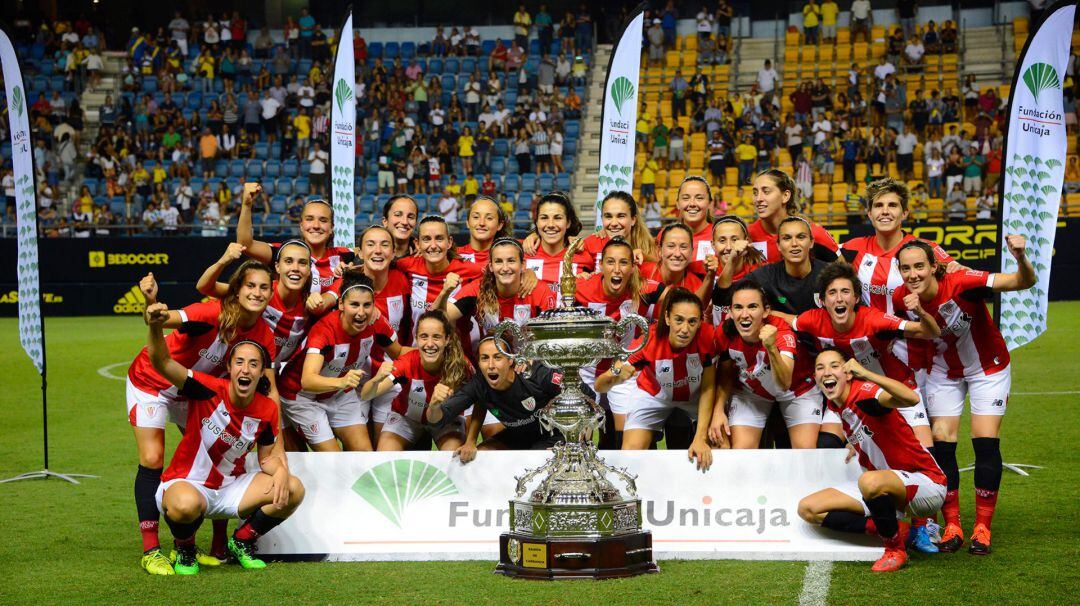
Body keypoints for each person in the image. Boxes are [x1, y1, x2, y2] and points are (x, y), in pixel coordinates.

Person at [125, 266, 276, 574]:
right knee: (153, 458)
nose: (256, 293)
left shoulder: (264, 335)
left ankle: (219, 546)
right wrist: (151, 304)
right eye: (249, 286)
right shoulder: (210, 313)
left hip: (193, 392)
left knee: (220, 454)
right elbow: (160, 319)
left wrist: (276, 439)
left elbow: (268, 391)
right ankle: (151, 550)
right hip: (153, 381)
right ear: (236, 289)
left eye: (263, 287)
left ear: (271, 293)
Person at [893, 236, 1036, 555]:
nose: (913, 274)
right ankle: (953, 524)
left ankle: (982, 526)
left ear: (934, 266)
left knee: (985, 440)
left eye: (919, 266)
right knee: (942, 440)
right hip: (944, 371)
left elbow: (1023, 281)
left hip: (988, 367)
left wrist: (1021, 257)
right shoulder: (902, 297)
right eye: (906, 268)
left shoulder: (961, 280)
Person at [144, 304, 302, 575]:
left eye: (254, 364)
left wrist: (280, 472)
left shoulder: (267, 408)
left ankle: (242, 541)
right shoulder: (206, 388)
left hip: (231, 489)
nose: (246, 369)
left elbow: (267, 457)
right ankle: (185, 548)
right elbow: (163, 362)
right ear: (229, 366)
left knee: (293, 489)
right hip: (188, 484)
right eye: (239, 362)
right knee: (184, 506)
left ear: (262, 371)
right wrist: (155, 326)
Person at [797, 349, 945, 572]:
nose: (826, 372)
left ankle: (895, 550)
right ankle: (900, 531)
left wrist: (867, 373)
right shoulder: (837, 405)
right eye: (820, 368)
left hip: (927, 483)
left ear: (848, 373)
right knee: (808, 509)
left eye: (834, 365)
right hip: (886, 487)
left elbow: (912, 398)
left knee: (868, 481)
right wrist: (855, 443)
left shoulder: (864, 394)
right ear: (816, 377)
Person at [277, 272, 406, 451]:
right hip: (301, 396)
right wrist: (343, 381)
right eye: (354, 304)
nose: (361, 313)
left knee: (364, 455)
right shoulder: (324, 331)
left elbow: (399, 352)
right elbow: (308, 380)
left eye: (367, 305)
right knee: (333, 460)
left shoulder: (376, 322)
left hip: (339, 393)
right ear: (341, 305)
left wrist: (434, 353)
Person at [596, 288, 716, 470]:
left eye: (692, 322)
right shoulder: (649, 339)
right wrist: (614, 378)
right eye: (679, 320)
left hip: (695, 396)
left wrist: (700, 438)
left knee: (720, 444)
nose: (685, 329)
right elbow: (600, 386)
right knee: (630, 453)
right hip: (653, 395)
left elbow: (709, 388)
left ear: (700, 322)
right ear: (667, 318)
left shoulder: (708, 337)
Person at [708, 280, 820, 449]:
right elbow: (725, 372)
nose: (745, 314)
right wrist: (718, 411)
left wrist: (771, 348)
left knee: (805, 453)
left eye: (752, 307)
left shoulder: (781, 331)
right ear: (730, 311)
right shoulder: (726, 332)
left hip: (797, 390)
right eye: (738, 307)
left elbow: (784, 383)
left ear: (766, 311)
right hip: (752, 392)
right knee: (741, 454)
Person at [574, 238, 663, 448]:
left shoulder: (643, 288)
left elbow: (679, 303)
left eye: (623, 263)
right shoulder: (580, 288)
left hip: (622, 368)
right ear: (600, 266)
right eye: (610, 262)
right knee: (578, 435)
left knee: (630, 433)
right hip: (586, 368)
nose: (617, 269)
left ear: (633, 267)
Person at [429, 337, 563, 459]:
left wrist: (576, 440)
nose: (491, 365)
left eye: (497, 357)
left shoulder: (535, 374)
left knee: (535, 458)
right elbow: (437, 421)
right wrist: (434, 405)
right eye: (485, 358)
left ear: (510, 359)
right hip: (516, 436)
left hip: (552, 436)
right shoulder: (478, 384)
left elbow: (581, 393)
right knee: (480, 456)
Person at [361, 311, 472, 451]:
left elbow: (480, 398)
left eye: (436, 337)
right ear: (417, 339)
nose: (430, 344)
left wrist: (471, 439)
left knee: (452, 457)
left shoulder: (461, 366)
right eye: (424, 337)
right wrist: (376, 380)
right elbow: (366, 395)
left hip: (447, 420)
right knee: (385, 455)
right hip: (407, 419)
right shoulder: (406, 362)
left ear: (447, 339)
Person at [236, 183, 352, 302]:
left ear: (332, 227)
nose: (316, 225)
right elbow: (245, 244)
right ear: (301, 225)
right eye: (309, 219)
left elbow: (368, 254)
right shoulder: (284, 252)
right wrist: (246, 204)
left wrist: (352, 267)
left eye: (323, 220)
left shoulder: (345, 255)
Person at [442, 238, 557, 354]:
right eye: (498, 261)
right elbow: (439, 318)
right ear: (491, 266)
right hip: (491, 364)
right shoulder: (478, 289)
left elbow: (554, 336)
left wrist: (534, 360)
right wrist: (444, 292)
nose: (505, 268)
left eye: (511, 261)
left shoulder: (539, 291)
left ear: (523, 265)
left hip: (530, 365)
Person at [395, 216, 485, 335]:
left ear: (449, 242)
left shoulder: (471, 271)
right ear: (417, 244)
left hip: (459, 351)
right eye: (426, 239)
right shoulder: (405, 266)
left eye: (439, 238)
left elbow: (498, 277)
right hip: (416, 350)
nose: (433, 245)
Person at [747, 217, 832, 319]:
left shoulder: (831, 274)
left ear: (811, 242)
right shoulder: (767, 275)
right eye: (787, 238)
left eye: (801, 237)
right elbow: (727, 295)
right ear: (778, 245)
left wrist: (776, 314)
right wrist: (733, 261)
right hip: (779, 334)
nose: (794, 244)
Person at [746, 169, 839, 263]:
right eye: (755, 193)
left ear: (785, 196)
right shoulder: (748, 236)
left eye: (766, 191)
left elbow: (844, 272)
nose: (758, 199)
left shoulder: (814, 233)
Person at [571, 191, 657, 272]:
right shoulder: (589, 245)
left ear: (633, 219)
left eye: (621, 216)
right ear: (602, 218)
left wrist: (646, 257)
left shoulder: (651, 247)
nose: (614, 223)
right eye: (608, 216)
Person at [706, 216, 768, 326]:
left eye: (735, 240)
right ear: (713, 244)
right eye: (722, 240)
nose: (729, 247)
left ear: (747, 241)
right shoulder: (707, 272)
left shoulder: (762, 274)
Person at [523, 191, 584, 283]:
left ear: (568, 223)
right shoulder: (520, 251)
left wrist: (590, 277)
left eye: (557, 218)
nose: (550, 224)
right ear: (536, 222)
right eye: (544, 218)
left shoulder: (583, 251)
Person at [457, 196, 513, 264]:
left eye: (489, 218)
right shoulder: (453, 256)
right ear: (468, 223)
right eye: (476, 217)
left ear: (499, 225)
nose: (481, 223)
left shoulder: (513, 254)